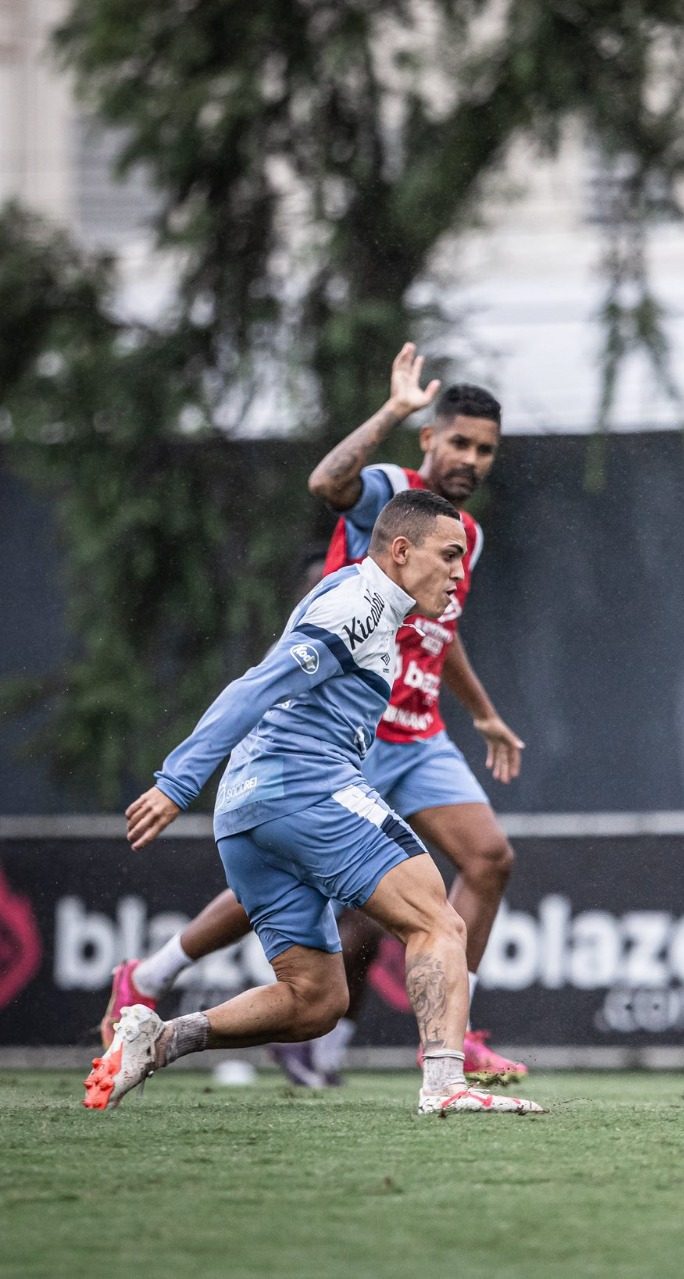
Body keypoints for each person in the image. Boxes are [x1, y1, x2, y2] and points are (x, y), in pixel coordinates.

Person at [99, 344, 528, 1087]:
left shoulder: (457, 545)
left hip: (376, 738)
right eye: (459, 440)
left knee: (328, 983)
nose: (471, 457)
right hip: (320, 751)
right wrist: (178, 780)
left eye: (485, 449)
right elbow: (324, 487)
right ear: (428, 440)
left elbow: (440, 629)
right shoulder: (381, 520)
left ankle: (163, 1036)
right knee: (430, 916)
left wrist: (483, 714)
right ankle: (445, 1074)